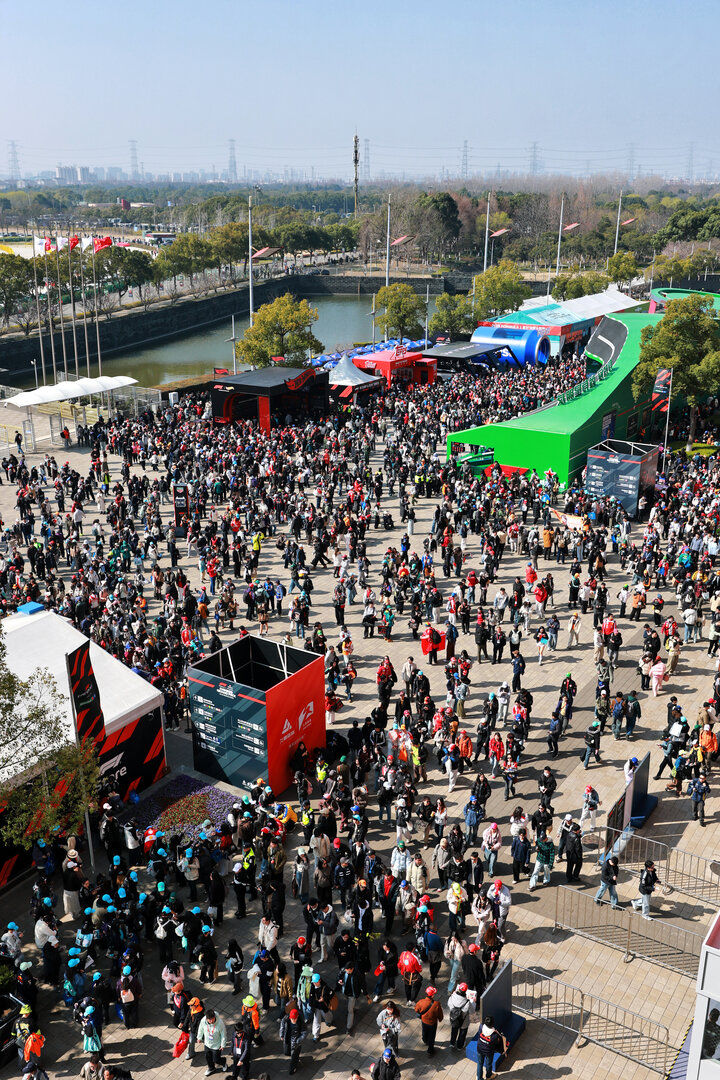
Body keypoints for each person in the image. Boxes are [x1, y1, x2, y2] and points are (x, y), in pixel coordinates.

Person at [475, 1014, 507, 1080]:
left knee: (480, 1064)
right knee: (488, 1064)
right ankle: (489, 1076)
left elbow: (480, 1033)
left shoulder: (481, 1027)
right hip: (488, 1052)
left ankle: (479, 1078)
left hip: (479, 1048)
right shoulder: (494, 1035)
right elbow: (496, 1043)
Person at [414, 985, 443, 1055]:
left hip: (424, 1021)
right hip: (432, 1023)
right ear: (432, 995)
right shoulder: (436, 1004)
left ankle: (425, 1040)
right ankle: (430, 1050)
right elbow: (440, 1014)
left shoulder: (421, 1002)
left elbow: (416, 1009)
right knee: (432, 1036)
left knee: (424, 1031)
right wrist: (440, 1019)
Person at [197, 1008, 227, 1075]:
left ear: (214, 1017)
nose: (211, 1021)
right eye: (209, 1019)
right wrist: (199, 1037)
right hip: (207, 1044)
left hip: (216, 1045)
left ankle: (223, 1062)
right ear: (206, 1018)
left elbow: (223, 1035)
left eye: (212, 1019)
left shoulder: (220, 1023)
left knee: (216, 1060)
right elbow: (200, 1028)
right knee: (208, 1058)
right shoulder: (203, 1020)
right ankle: (211, 1068)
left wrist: (223, 1044)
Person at [279, 1006, 305, 1075]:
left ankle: (293, 1068)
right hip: (288, 1039)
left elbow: (304, 1034)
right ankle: (295, 1059)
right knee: (287, 1052)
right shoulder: (286, 1018)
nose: (293, 1020)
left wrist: (298, 1041)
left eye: (294, 1019)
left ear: (297, 1017)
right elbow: (282, 1025)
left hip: (296, 1042)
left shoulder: (301, 1023)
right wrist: (281, 1034)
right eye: (292, 1019)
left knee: (294, 1056)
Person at [448, 982, 473, 1049]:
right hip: (463, 1021)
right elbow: (470, 1011)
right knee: (462, 1034)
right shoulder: (467, 1002)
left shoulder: (452, 997)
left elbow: (449, 1004)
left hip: (454, 1018)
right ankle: (460, 1046)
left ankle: (452, 1043)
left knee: (454, 1031)